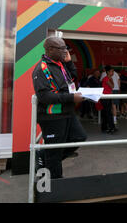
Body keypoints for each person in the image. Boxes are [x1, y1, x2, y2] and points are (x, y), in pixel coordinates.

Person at [32, 36, 87, 179]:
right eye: (61, 49)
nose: (65, 51)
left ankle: (44, 156)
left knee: (79, 137)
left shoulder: (60, 64)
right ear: (50, 49)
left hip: (67, 112)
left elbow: (72, 79)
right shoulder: (41, 69)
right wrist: (71, 98)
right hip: (52, 117)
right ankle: (52, 188)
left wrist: (69, 63)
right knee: (54, 155)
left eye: (66, 48)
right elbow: (45, 97)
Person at [101, 66, 118, 134]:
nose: (113, 72)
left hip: (108, 97)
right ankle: (111, 127)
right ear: (108, 72)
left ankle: (105, 127)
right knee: (108, 113)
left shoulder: (109, 78)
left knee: (106, 113)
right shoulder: (105, 78)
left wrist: (111, 80)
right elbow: (112, 86)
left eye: (113, 71)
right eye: (111, 71)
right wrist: (111, 80)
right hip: (105, 97)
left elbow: (112, 86)